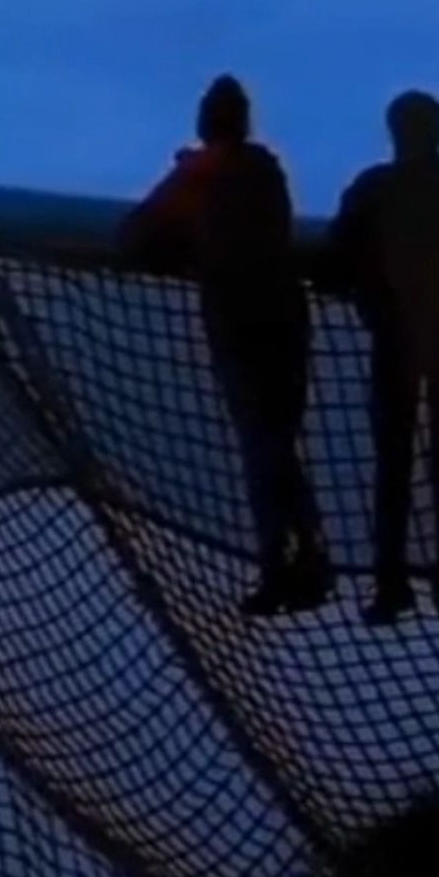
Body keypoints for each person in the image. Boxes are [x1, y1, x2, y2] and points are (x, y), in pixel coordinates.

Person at [123, 74, 333, 617]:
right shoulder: (266, 173)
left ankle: (278, 566)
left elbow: (137, 235)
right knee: (279, 443)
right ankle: (308, 554)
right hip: (286, 314)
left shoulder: (203, 174)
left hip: (239, 318)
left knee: (261, 446)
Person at [328, 90, 439, 626]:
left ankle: (391, 581)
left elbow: (336, 253)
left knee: (393, 465)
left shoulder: (375, 188)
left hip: (396, 337)